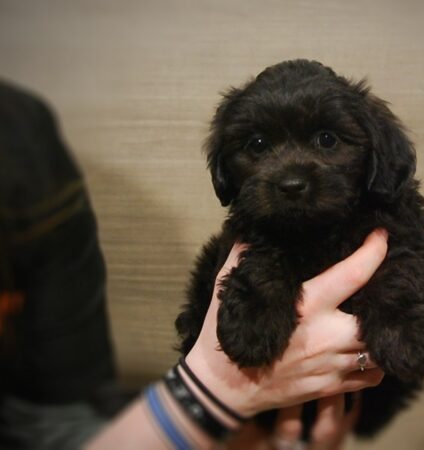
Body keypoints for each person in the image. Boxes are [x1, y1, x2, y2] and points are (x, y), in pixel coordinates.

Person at [0, 80, 386, 450]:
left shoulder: (23, 140)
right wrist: (214, 389)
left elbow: (62, 414)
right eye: (258, 146)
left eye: (326, 141)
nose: (291, 173)